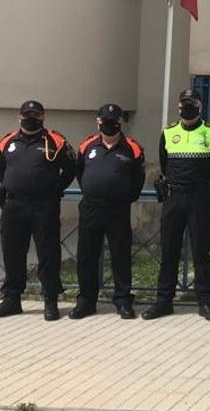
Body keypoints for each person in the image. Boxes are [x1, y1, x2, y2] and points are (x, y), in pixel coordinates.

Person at [142, 89, 210, 321]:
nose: (187, 107)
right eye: (184, 103)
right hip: (174, 197)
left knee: (201, 251)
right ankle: (163, 301)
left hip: (200, 198)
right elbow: (164, 162)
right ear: (178, 107)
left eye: (192, 103)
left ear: (200, 106)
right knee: (169, 250)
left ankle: (205, 302)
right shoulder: (169, 132)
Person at [0, 100, 75, 320]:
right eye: (27, 114)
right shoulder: (7, 142)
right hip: (14, 206)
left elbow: (71, 169)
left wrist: (55, 189)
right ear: (19, 117)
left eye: (36, 114)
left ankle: (50, 300)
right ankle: (12, 299)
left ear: (43, 117)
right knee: (12, 252)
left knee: (48, 254)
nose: (31, 118)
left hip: (44, 206)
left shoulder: (56, 141)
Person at [69, 104, 145, 320]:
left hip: (118, 210)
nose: (110, 125)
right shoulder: (86, 146)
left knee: (120, 255)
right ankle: (86, 301)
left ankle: (122, 300)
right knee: (86, 256)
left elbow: (137, 181)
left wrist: (122, 197)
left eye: (114, 122)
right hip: (91, 208)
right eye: (106, 121)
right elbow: (80, 173)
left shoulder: (133, 148)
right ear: (98, 122)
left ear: (120, 123)